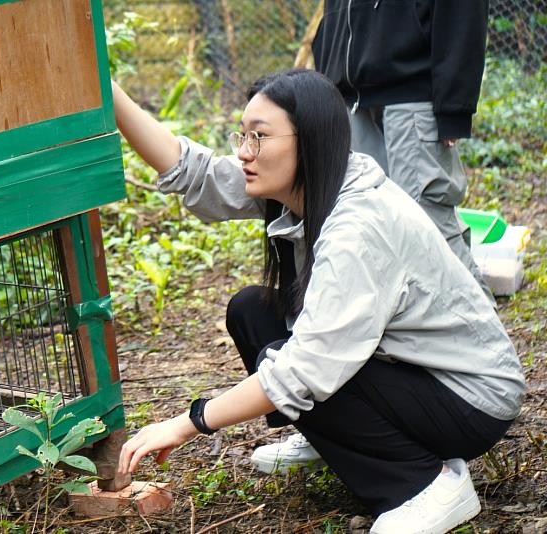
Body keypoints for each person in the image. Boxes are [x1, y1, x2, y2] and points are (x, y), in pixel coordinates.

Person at [112, 69, 524, 534]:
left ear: (307, 140)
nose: (245, 151)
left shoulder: (358, 226)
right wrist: (108, 93)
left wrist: (189, 422)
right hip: (406, 369)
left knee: (292, 365)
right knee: (251, 311)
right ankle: (337, 438)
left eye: (260, 137)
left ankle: (427, 484)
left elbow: (307, 368)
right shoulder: (306, 183)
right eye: (242, 136)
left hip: (468, 399)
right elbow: (196, 173)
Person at [258, 0, 496, 474]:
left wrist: (452, 106)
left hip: (415, 99)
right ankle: (333, 418)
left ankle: (468, 384)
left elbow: (462, 13)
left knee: (430, 231)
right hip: (351, 99)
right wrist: (326, 99)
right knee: (340, 233)